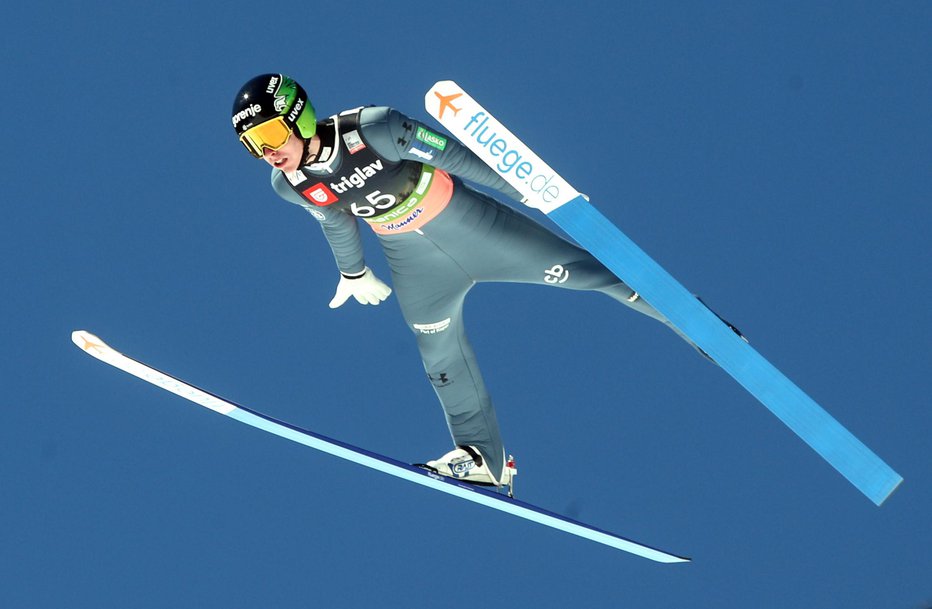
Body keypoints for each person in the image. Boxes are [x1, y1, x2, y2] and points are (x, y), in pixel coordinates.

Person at [231, 73, 730, 492]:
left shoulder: (375, 128)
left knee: (588, 274)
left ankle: (697, 324)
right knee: (438, 353)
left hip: (472, 226)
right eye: (254, 146)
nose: (268, 153)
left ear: (299, 116)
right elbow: (335, 219)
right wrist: (353, 271)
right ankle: (483, 461)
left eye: (271, 136)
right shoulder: (289, 184)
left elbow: (454, 155)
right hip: (414, 262)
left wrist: (532, 191)